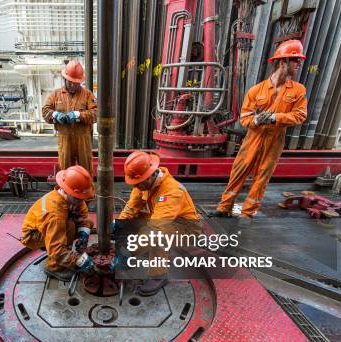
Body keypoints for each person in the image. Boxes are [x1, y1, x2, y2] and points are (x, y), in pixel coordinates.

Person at [214, 39, 308, 223]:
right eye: (295, 60)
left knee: (262, 175)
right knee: (239, 171)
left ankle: (248, 213)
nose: (299, 64)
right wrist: (256, 120)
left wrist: (275, 118)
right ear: (283, 62)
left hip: (275, 140)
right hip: (253, 138)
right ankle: (224, 208)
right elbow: (245, 118)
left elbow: (300, 116)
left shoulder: (298, 90)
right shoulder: (256, 90)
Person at [116, 151, 200, 296]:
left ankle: (159, 276)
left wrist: (128, 252)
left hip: (187, 229)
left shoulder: (172, 191)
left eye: (138, 184)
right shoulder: (143, 184)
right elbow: (131, 207)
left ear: (150, 176)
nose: (136, 187)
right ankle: (143, 251)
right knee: (134, 223)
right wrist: (118, 224)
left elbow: (156, 229)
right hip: (163, 219)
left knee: (157, 236)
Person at [21, 165, 95, 281]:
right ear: (68, 191)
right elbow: (57, 250)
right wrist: (79, 260)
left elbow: (83, 216)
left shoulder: (72, 198)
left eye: (83, 198)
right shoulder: (55, 214)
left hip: (52, 226)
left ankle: (66, 253)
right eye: (79, 198)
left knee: (87, 222)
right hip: (33, 235)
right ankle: (54, 267)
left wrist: (83, 234)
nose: (82, 201)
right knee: (69, 226)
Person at [42, 60, 98, 174]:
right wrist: (56, 115)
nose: (73, 85)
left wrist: (78, 115)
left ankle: (86, 191)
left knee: (86, 171)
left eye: (76, 83)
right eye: (70, 82)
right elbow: (45, 111)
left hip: (83, 140)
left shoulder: (87, 94)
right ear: (65, 79)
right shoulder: (55, 95)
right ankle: (67, 191)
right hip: (65, 139)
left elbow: (96, 113)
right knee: (66, 172)